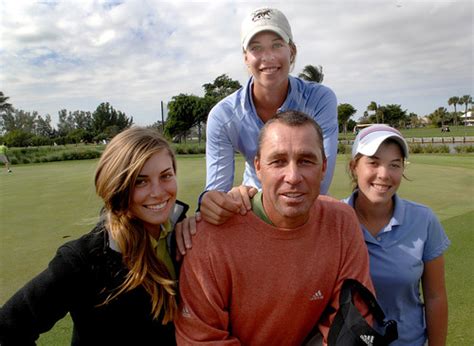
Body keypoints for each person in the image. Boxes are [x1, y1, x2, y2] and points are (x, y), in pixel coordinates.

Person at [175, 111, 373, 345]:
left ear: (323, 167)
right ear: (258, 167)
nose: (293, 176)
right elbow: (201, 339)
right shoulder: (211, 237)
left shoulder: (342, 221)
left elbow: (354, 318)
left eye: (306, 161)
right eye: (278, 161)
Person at [0, 127, 190, 345]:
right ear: (117, 185)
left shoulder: (188, 237)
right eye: (140, 181)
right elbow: (7, 328)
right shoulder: (82, 259)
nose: (158, 192)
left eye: (166, 176)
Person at [199, 7, 338, 225]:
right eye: (256, 48)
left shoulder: (320, 99)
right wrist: (213, 202)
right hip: (252, 210)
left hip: (302, 205)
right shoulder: (223, 115)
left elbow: (320, 179)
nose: (268, 57)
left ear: (291, 51)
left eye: (277, 45)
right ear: (246, 58)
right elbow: (216, 191)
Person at [343, 124, 450, 346]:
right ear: (354, 166)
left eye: (394, 165)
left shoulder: (424, 220)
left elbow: (435, 297)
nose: (384, 174)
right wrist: (251, 194)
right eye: (373, 162)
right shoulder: (333, 219)